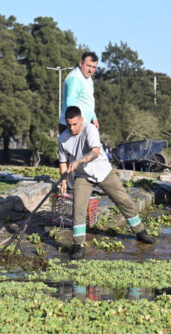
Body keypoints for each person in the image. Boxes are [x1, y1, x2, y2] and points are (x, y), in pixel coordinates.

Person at [58, 106, 155, 259]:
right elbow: (63, 161)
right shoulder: (63, 138)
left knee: (123, 200)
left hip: (103, 171)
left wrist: (79, 161)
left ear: (81, 120)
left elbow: (95, 152)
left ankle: (140, 231)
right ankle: (79, 245)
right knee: (78, 208)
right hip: (83, 176)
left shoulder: (89, 129)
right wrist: (63, 180)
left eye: (75, 124)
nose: (72, 128)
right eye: (69, 124)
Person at [58, 52, 100, 134]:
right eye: (88, 66)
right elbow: (71, 104)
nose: (90, 70)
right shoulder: (75, 79)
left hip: (82, 125)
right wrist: (76, 126)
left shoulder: (88, 78)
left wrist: (94, 118)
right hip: (71, 127)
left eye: (94, 67)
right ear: (81, 63)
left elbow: (87, 100)